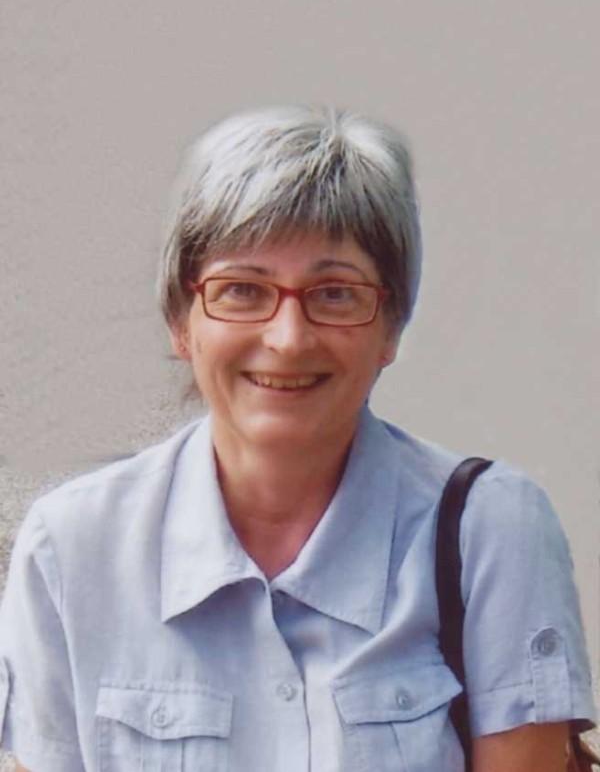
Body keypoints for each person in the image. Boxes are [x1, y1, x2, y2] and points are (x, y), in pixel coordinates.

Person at [0, 105, 595, 772]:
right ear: (181, 322)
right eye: (242, 290)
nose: (287, 339)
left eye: (335, 293)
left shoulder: (490, 530)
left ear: (391, 328)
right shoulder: (71, 549)